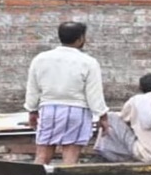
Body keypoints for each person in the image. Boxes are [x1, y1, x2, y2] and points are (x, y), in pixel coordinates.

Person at [24, 21, 109, 166]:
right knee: (70, 159)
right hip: (77, 111)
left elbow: (33, 88)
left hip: (48, 110)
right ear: (81, 38)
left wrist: (32, 110)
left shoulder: (40, 59)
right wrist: (103, 115)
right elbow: (94, 93)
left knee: (42, 156)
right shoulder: (88, 62)